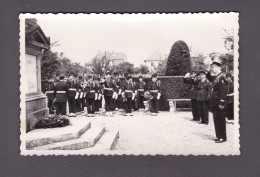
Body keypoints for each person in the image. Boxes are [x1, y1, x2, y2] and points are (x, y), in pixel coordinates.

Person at [208, 57, 228, 143]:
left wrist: (221, 102)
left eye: (213, 67)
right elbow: (208, 76)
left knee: (221, 120)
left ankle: (222, 137)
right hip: (215, 102)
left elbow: (223, 91)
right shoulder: (216, 77)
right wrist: (209, 70)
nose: (212, 69)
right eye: (211, 67)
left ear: (217, 67)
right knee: (216, 119)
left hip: (219, 102)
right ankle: (218, 136)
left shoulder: (221, 77)